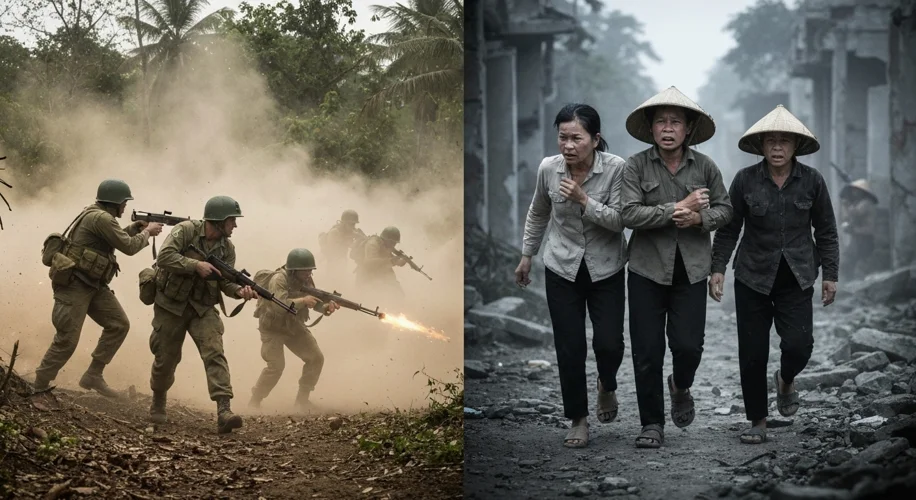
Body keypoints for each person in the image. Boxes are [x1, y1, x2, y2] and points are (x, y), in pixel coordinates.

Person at [710, 104, 839, 445]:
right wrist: (718, 268)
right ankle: (758, 420)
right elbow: (729, 229)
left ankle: (785, 378)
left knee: (799, 345)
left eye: (784, 141)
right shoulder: (745, 180)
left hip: (797, 277)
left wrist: (831, 274)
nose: (778, 147)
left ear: (796, 146)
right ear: (761, 146)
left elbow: (826, 230)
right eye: (771, 141)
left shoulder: (812, 180)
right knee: (753, 352)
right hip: (752, 276)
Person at [620, 86, 733, 448]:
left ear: (688, 129)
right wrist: (677, 208)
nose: (667, 128)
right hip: (646, 270)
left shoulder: (705, 166)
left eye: (675, 122)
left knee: (688, 346)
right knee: (647, 352)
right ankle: (651, 424)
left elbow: (726, 210)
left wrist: (700, 219)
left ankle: (680, 386)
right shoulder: (636, 165)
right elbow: (628, 214)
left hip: (692, 270)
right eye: (660, 122)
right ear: (651, 128)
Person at [514, 103, 628, 449]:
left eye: (576, 138)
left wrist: (583, 199)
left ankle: (607, 384)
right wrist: (527, 255)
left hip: (606, 266)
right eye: (562, 137)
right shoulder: (549, 168)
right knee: (569, 345)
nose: (568, 145)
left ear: (595, 139)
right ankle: (578, 418)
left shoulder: (616, 169)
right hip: (561, 265)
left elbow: (620, 220)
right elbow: (538, 212)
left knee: (609, 343)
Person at [33, 179, 164, 396]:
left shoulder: (98, 215)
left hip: (92, 284)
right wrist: (148, 232)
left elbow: (113, 238)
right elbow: (128, 247)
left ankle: (93, 375)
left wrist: (134, 228)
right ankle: (39, 385)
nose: (125, 207)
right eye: (124, 203)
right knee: (67, 339)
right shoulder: (101, 218)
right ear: (115, 202)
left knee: (118, 324)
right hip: (75, 284)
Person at [147, 195, 259, 434]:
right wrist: (195, 266)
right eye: (231, 220)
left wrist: (240, 291)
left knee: (214, 352)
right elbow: (164, 257)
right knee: (166, 358)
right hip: (171, 305)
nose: (235, 225)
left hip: (203, 307)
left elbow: (224, 282)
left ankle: (224, 410)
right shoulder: (185, 231)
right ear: (218, 220)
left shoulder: (227, 248)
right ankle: (158, 398)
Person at [249, 248, 340, 410]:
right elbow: (279, 306)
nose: (309, 274)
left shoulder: (306, 280)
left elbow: (315, 302)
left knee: (316, 358)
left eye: (310, 270)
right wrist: (303, 301)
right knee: (276, 367)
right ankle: (255, 400)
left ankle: (302, 401)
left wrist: (326, 307)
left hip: (294, 326)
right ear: (294, 270)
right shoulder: (279, 279)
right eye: (305, 270)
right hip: (273, 328)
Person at [838, 179, 878, 281]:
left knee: (858, 262)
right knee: (848, 260)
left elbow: (855, 213)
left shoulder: (866, 203)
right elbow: (848, 218)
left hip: (865, 237)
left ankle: (858, 282)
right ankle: (849, 281)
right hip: (858, 237)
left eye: (856, 190)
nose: (853, 192)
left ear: (862, 192)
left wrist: (846, 205)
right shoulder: (857, 203)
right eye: (853, 190)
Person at [353, 226, 407, 299]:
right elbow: (369, 263)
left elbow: (387, 259)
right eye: (392, 242)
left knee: (398, 293)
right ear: (387, 239)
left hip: (379, 275)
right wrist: (392, 261)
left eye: (395, 243)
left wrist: (398, 261)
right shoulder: (372, 244)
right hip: (366, 276)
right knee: (368, 298)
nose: (394, 245)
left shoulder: (386, 246)